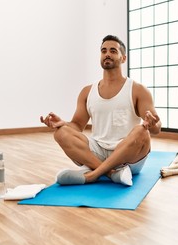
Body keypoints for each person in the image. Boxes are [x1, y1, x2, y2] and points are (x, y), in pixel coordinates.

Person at [40, 35, 161, 186]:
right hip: (98, 153)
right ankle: (111, 174)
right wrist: (62, 123)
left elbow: (156, 129)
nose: (107, 54)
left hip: (128, 155)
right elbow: (77, 125)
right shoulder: (87, 91)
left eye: (113, 51)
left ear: (123, 58)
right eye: (103, 51)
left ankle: (92, 175)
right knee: (60, 133)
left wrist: (152, 124)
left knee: (142, 131)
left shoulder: (138, 90)